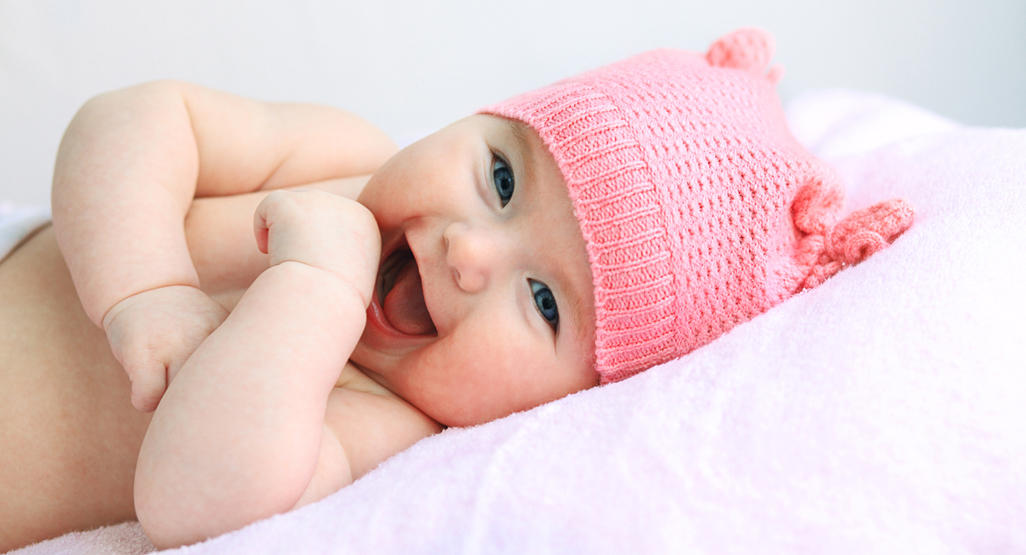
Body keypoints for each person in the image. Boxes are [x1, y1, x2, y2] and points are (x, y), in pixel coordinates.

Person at [0, 28, 912, 550]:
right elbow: (136, 118)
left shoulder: (379, 422)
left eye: (545, 302)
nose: (472, 253)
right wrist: (145, 287)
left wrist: (313, 287)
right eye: (503, 180)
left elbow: (191, 499)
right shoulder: (338, 157)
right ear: (488, 113)